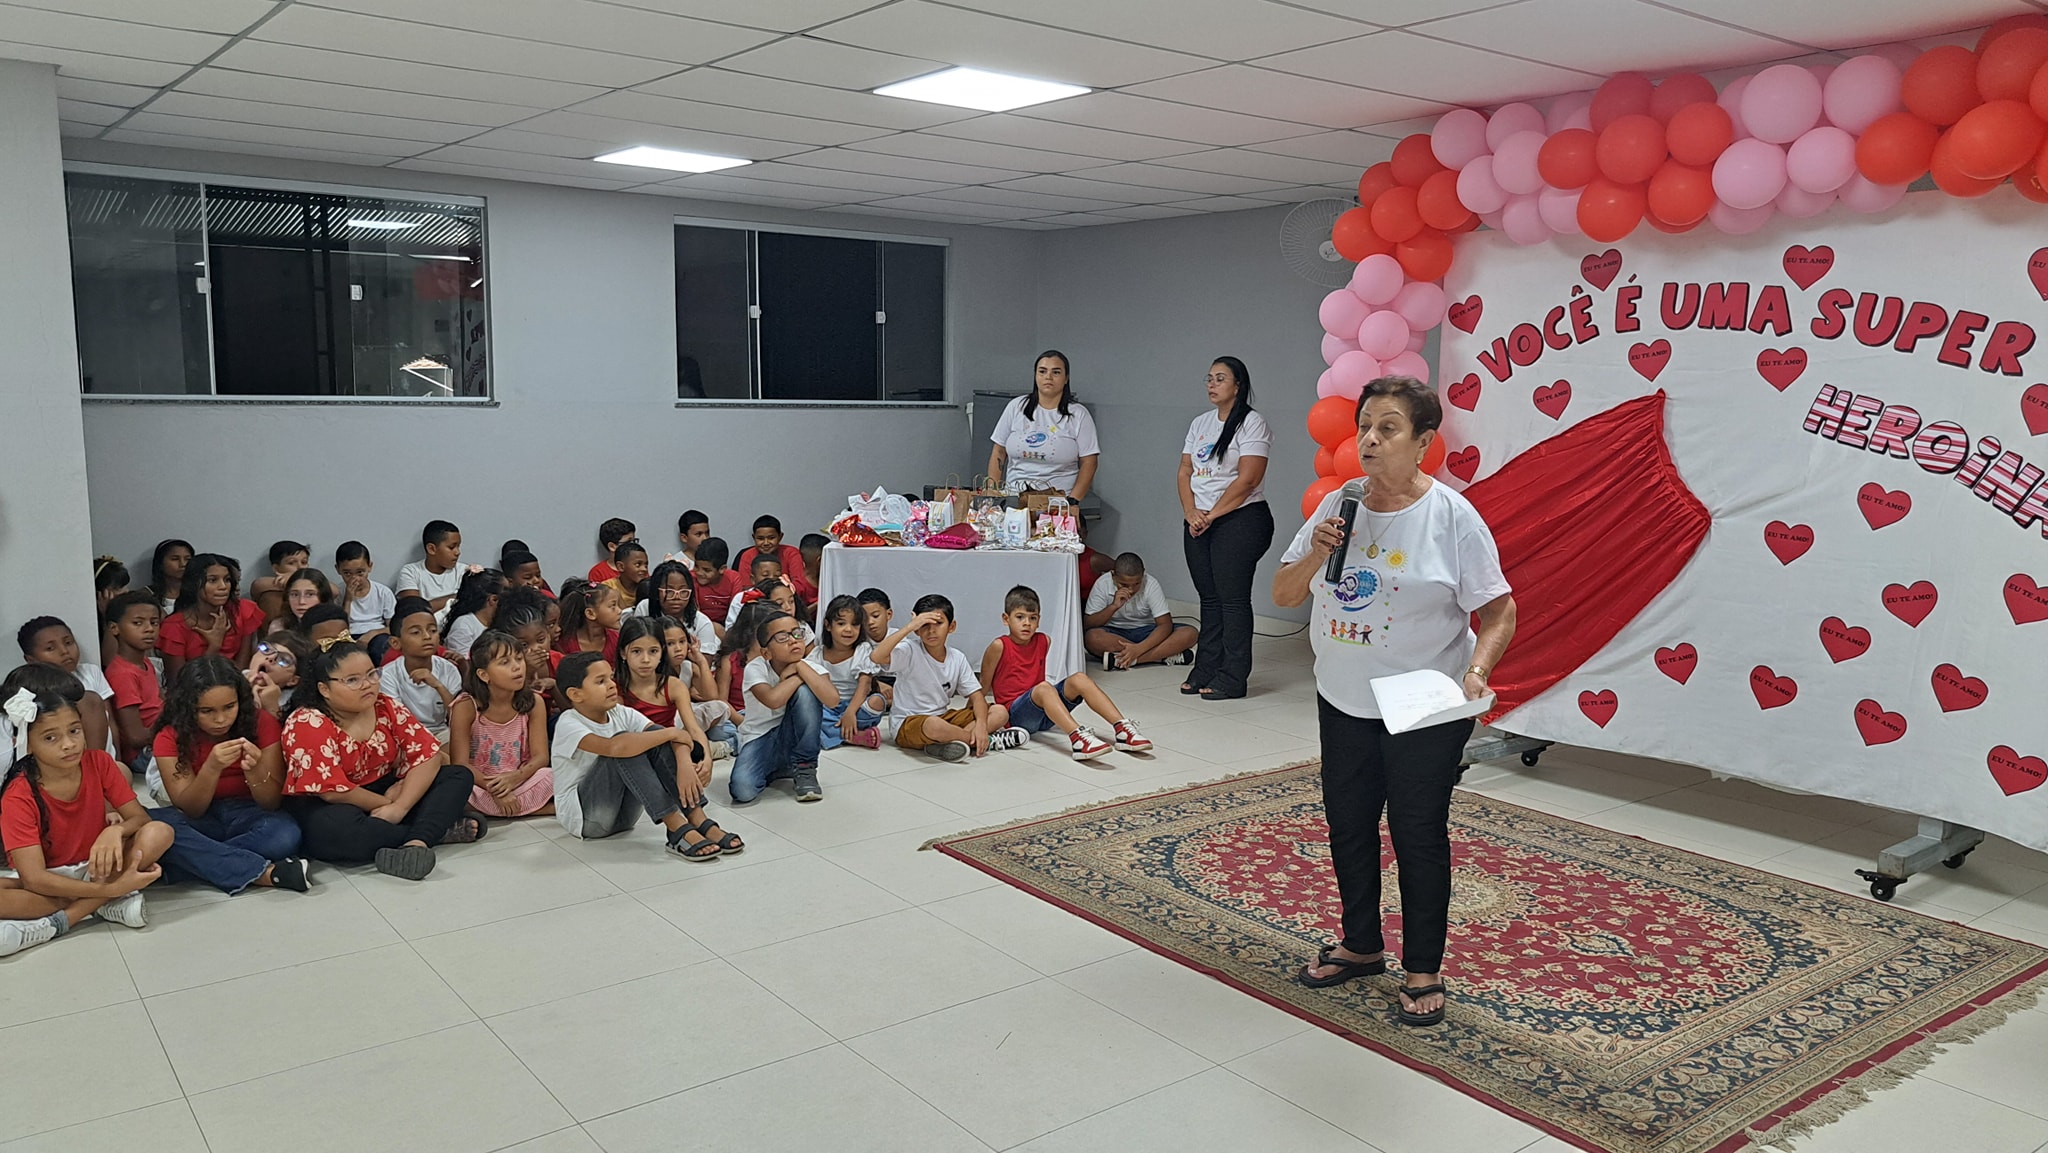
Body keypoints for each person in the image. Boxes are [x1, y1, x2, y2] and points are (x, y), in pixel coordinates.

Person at [1275, 375, 1517, 1028]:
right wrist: (1314, 554)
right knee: (1349, 823)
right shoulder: (1339, 506)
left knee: (1416, 831)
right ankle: (1360, 943)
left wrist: (1477, 670)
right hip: (1344, 697)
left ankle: (1423, 966)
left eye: (1388, 428)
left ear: (1423, 441)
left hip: (1422, 706)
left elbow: (1499, 610)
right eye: (1364, 427)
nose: (1370, 441)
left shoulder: (1451, 517)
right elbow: (1284, 594)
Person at [1, 675, 173, 956]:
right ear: (27, 744)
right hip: (51, 881)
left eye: (74, 731)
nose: (68, 744)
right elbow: (34, 879)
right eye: (50, 738)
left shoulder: (99, 762)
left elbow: (140, 819)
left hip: (100, 866)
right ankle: (106, 902)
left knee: (160, 832)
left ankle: (57, 923)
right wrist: (112, 889)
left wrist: (115, 830)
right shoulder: (18, 794)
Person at [281, 640, 480, 880]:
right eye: (352, 680)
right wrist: (387, 803)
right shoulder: (307, 721)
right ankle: (433, 831)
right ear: (324, 689)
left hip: (388, 789)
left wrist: (400, 806)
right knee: (334, 830)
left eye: (371, 674)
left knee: (458, 775)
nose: (367, 684)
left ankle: (417, 842)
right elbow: (332, 791)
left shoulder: (385, 705)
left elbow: (427, 755)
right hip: (336, 803)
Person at [549, 651, 737, 857]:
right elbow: (615, 747)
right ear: (575, 694)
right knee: (626, 743)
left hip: (625, 815)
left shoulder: (620, 712)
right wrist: (672, 732)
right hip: (587, 819)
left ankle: (698, 818)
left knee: (650, 738)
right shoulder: (569, 723)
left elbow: (669, 737)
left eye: (611, 677)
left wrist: (684, 764)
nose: (612, 685)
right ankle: (675, 827)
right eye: (601, 681)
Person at [148, 656, 308, 894]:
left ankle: (187, 863)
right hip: (202, 818)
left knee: (285, 835)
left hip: (251, 812)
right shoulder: (170, 736)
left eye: (229, 707)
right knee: (150, 823)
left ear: (240, 701)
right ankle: (263, 872)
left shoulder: (260, 722)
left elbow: (272, 802)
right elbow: (191, 809)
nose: (221, 719)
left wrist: (254, 770)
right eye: (207, 711)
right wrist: (211, 768)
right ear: (188, 707)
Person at [1180, 356, 1275, 701]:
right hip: (1200, 520)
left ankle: (1233, 676)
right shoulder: (1200, 423)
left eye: (1220, 379)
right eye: (1209, 378)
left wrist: (1212, 515)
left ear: (1238, 385)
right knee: (1209, 598)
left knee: (1232, 600)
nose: (1212, 384)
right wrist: (1191, 511)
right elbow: (1185, 471)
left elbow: (1248, 479)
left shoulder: (1252, 423)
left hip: (1240, 519)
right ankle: (1206, 667)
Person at [980, 585, 1150, 761]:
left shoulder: (1044, 640)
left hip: (1044, 713)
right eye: (1020, 617)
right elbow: (982, 686)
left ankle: (1122, 729)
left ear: (1039, 620)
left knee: (1079, 678)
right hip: (1016, 716)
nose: (1027, 623)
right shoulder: (999, 646)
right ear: (1006, 619)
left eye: (1033, 618)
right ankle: (1078, 739)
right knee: (1044, 687)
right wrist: (978, 716)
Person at [871, 595, 1026, 763]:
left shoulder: (957, 657)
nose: (931, 631)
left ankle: (947, 743)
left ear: (951, 626)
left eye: (938, 623)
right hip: (908, 724)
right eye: (925, 625)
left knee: (999, 712)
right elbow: (876, 657)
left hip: (942, 717)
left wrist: (981, 726)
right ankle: (984, 742)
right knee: (933, 725)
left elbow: (977, 697)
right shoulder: (909, 650)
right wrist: (909, 627)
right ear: (917, 629)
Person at [730, 610, 837, 802]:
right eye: (782, 637)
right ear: (766, 653)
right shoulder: (756, 668)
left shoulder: (810, 667)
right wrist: (798, 676)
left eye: (797, 633)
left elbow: (832, 700)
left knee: (806, 691)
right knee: (742, 790)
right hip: (760, 737)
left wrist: (800, 667)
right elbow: (773, 700)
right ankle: (779, 767)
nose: (793, 641)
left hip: (792, 735)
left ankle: (805, 767)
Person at [447, 629, 553, 819]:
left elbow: (541, 757)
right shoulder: (466, 706)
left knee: (552, 775)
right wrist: (496, 790)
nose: (517, 667)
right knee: (454, 786)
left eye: (519, 659)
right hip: (480, 784)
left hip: (519, 779)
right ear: (483, 675)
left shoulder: (534, 702)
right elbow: (460, 763)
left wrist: (515, 778)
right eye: (505, 662)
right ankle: (541, 808)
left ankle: (501, 810)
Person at [987, 350, 1099, 500]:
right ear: (1035, 376)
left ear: (1066, 378)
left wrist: (1073, 501)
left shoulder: (1079, 414)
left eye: (1056, 372)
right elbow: (999, 451)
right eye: (1042, 371)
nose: (1048, 377)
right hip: (1013, 498)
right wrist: (992, 493)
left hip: (1058, 501)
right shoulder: (1016, 406)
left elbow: (1089, 462)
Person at [615, 617, 717, 762]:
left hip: (665, 753)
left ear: (661, 652)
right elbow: (619, 737)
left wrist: (707, 759)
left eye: (653, 651)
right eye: (636, 651)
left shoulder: (674, 685)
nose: (645, 659)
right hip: (630, 753)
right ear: (623, 653)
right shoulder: (613, 687)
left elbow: (694, 729)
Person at [17, 616, 117, 757]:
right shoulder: (33, 690)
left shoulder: (91, 672)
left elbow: (110, 721)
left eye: (68, 642)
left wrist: (118, 759)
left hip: (107, 760)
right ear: (30, 660)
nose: (64, 651)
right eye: (50, 648)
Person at [157, 553, 267, 676]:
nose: (223, 587)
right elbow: (180, 682)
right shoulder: (173, 627)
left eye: (227, 580)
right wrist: (214, 646)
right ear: (194, 584)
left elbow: (243, 669)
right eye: (213, 580)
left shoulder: (243, 610)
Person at [1084, 554, 1198, 670]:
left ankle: (1129, 660)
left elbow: (1165, 624)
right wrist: (1113, 606)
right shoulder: (1102, 583)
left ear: (1143, 574)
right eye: (1124, 585)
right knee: (1092, 638)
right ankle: (1160, 656)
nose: (1131, 590)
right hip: (1114, 633)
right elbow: (1088, 623)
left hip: (1147, 632)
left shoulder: (1151, 583)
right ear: (1113, 575)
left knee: (1190, 633)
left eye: (1137, 584)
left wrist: (1139, 649)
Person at [380, 597, 461, 739]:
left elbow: (458, 718)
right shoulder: (388, 675)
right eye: (416, 632)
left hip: (441, 731)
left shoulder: (448, 669)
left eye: (433, 630)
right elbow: (397, 720)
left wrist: (438, 685)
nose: (427, 636)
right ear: (395, 642)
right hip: (406, 735)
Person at [101, 592, 164, 767]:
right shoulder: (122, 674)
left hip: (160, 734)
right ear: (114, 628)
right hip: (142, 753)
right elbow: (135, 737)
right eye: (138, 623)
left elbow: (159, 701)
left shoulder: (144, 662)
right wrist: (174, 726)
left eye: (154, 622)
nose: (149, 629)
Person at [814, 595, 883, 751]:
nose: (848, 629)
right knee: (811, 715)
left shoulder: (862, 649)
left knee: (877, 702)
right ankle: (853, 736)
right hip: (828, 709)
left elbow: (865, 685)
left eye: (855, 624)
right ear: (828, 625)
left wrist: (850, 712)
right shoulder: (818, 654)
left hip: (856, 706)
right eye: (841, 623)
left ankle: (835, 732)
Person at [659, 615, 734, 755]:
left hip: (685, 718)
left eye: (682, 642)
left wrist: (701, 661)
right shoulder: (654, 670)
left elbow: (712, 695)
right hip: (663, 721)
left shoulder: (688, 666)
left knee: (719, 707)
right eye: (670, 644)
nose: (678, 648)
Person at [734, 516, 817, 606]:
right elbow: (747, 588)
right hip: (758, 603)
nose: (766, 543)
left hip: (787, 602)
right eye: (760, 538)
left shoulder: (791, 553)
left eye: (771, 538)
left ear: (780, 537)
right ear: (754, 538)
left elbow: (799, 585)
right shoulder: (747, 556)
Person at [334, 541, 397, 660]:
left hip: (377, 634)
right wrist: (348, 600)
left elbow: (394, 628)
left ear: (370, 566)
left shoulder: (383, 592)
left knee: (380, 646)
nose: (355, 579)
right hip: (348, 636)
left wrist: (372, 633)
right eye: (347, 573)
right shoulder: (338, 593)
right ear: (338, 569)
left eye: (360, 572)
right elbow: (340, 630)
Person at [395, 519, 465, 623]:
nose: (458, 552)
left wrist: (430, 604)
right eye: (451, 547)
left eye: (458, 546)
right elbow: (414, 611)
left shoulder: (464, 571)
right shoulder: (411, 572)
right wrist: (457, 597)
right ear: (431, 549)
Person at [440, 567, 506, 666]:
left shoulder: (501, 621)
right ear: (494, 599)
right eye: (508, 592)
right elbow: (461, 665)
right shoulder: (464, 625)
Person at [555, 582, 622, 662]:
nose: (620, 611)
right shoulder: (564, 643)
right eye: (613, 606)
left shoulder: (617, 640)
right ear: (590, 613)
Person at [692, 538, 747, 632]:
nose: (699, 573)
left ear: (722, 569)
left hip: (727, 623)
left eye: (706, 570)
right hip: (699, 623)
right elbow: (695, 612)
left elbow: (736, 609)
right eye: (696, 566)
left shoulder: (733, 578)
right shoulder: (691, 578)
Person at [251, 540, 309, 622]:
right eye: (291, 563)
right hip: (279, 627)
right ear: (276, 568)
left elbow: (329, 588)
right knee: (272, 597)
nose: (300, 567)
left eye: (304, 562)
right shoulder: (267, 587)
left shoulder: (313, 580)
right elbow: (259, 584)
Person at [272, 567, 336, 636]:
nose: (301, 601)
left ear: (323, 597)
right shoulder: (278, 627)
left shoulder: (335, 627)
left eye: (310, 594)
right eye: (295, 595)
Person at [147, 538, 194, 614]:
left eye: (187, 559)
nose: (183, 564)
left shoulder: (199, 594)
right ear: (160, 563)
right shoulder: (147, 595)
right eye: (175, 559)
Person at [587, 518, 637, 584]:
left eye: (634, 541)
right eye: (628, 542)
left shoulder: (638, 566)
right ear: (612, 546)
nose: (633, 546)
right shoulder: (598, 573)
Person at [601, 541, 650, 607]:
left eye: (646, 565)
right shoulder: (608, 588)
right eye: (638, 564)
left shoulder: (649, 587)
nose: (644, 569)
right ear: (621, 567)